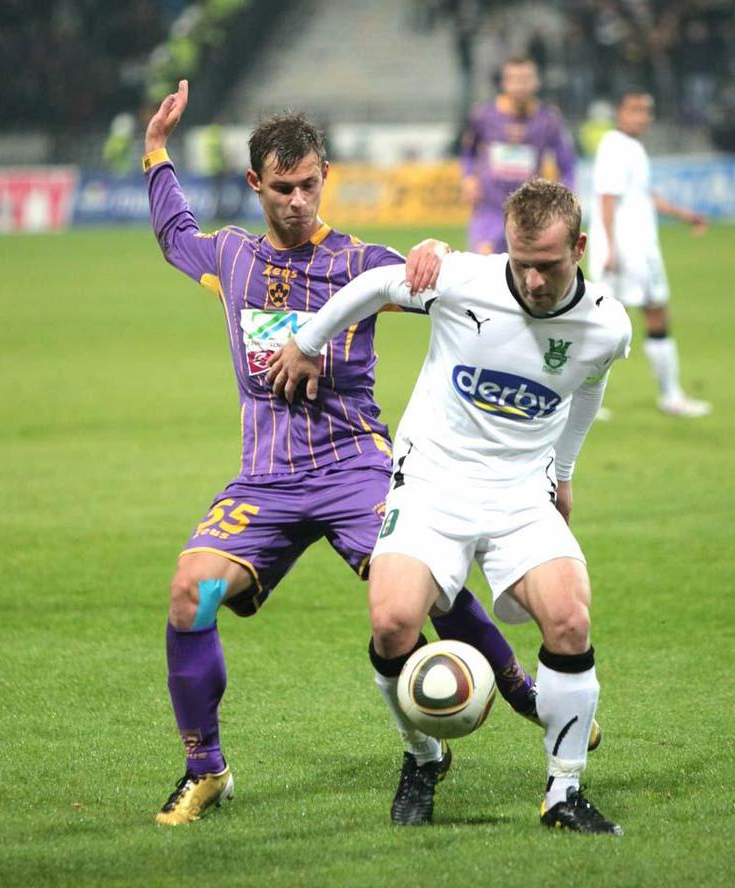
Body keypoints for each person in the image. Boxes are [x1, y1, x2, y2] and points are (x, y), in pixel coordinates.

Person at [143, 81, 545, 826]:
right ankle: (206, 770)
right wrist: (156, 152)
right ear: (255, 184)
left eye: (308, 184)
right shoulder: (231, 258)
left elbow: (454, 288)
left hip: (355, 466)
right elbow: (174, 233)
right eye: (281, 188)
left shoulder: (365, 262)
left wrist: (435, 251)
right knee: (188, 593)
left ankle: (520, 688)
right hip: (264, 480)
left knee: (424, 587)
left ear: (324, 176)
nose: (297, 200)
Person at [268, 179, 631, 834]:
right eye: (521, 263)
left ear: (578, 248)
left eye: (548, 265)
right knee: (391, 623)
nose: (534, 280)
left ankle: (563, 793)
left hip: (520, 493)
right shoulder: (463, 279)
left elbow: (586, 389)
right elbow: (378, 285)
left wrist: (565, 474)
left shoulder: (605, 326)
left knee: (570, 620)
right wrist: (309, 341)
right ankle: (423, 755)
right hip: (432, 482)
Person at [588, 90, 712, 417]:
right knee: (607, 323)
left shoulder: (632, 148)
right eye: (634, 109)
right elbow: (606, 199)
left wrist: (686, 215)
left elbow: (646, 197)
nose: (641, 116)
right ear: (619, 112)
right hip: (627, 251)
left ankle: (669, 394)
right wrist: (610, 249)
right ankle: (582, 398)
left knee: (647, 315)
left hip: (640, 249)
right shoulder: (614, 147)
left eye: (646, 110)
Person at [460, 56, 575, 255]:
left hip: (530, 211)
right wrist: (468, 177)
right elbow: (468, 151)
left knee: (525, 278)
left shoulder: (548, 119)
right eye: (514, 79)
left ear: (536, 82)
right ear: (504, 82)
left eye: (525, 79)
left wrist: (566, 196)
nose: (520, 86)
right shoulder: (483, 116)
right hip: (490, 210)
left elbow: (566, 163)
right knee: (483, 272)